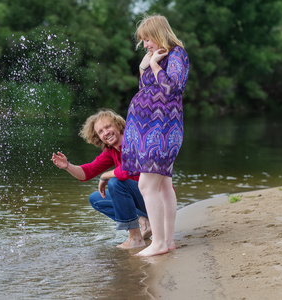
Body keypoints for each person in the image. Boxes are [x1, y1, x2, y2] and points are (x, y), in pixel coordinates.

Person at [121, 14, 189, 257]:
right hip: (148, 126)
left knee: (145, 185)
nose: (145, 45)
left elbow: (173, 88)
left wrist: (154, 65)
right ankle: (167, 241)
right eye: (143, 41)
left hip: (162, 129)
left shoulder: (177, 54)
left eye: (147, 39)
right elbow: (147, 90)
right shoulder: (153, 56)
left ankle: (158, 242)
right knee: (163, 187)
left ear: (159, 34)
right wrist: (144, 66)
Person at [52, 109, 151, 249]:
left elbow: (125, 172)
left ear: (118, 125)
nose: (106, 133)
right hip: (142, 198)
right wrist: (67, 166)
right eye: (100, 131)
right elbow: (87, 172)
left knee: (116, 183)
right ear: (98, 137)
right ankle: (143, 220)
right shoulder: (111, 151)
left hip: (156, 198)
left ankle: (135, 238)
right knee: (96, 199)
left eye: (108, 126)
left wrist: (104, 176)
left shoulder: (133, 140)